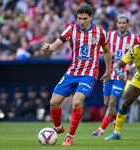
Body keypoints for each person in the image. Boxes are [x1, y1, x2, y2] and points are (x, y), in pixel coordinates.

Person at [42, 4, 111, 146]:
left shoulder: (100, 32)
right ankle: (58, 128)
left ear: (91, 17)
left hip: (89, 73)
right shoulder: (71, 29)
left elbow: (107, 51)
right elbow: (55, 46)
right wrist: (48, 48)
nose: (82, 21)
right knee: (54, 102)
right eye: (79, 18)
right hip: (73, 71)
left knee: (76, 101)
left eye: (85, 18)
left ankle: (70, 137)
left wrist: (108, 71)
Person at [92, 14, 138, 136]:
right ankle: (115, 122)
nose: (122, 25)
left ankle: (101, 130)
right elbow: (99, 48)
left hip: (121, 75)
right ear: (116, 24)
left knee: (112, 102)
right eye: (120, 23)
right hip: (108, 73)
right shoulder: (109, 35)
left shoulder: (134, 39)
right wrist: (107, 52)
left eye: (124, 23)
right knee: (106, 103)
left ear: (128, 24)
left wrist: (131, 67)